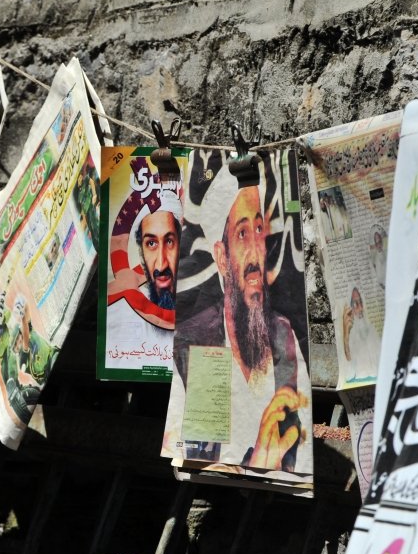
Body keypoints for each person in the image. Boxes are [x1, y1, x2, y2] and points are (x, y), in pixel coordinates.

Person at [173, 184, 311, 472]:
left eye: (259, 230)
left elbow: (295, 446)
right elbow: (202, 459)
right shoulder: (198, 341)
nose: (254, 252)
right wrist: (255, 462)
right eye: (242, 233)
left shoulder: (282, 336)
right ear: (222, 258)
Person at [104, 169, 181, 369]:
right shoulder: (120, 308)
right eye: (151, 244)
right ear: (141, 254)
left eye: (170, 241)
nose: (161, 263)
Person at [343, 287, 379, 381]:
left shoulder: (371, 329)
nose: (361, 308)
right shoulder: (348, 337)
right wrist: (346, 336)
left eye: (361, 302)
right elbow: (348, 373)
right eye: (355, 304)